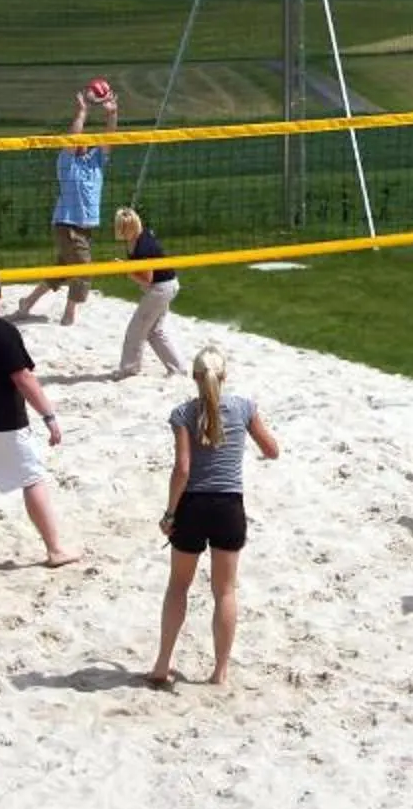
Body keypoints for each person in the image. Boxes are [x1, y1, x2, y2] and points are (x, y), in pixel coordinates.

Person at [146, 344, 280, 687]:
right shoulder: (244, 408)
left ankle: (162, 664)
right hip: (228, 506)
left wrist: (169, 513)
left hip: (192, 506)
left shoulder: (182, 414)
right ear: (225, 375)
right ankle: (220, 671)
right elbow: (272, 450)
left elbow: (182, 469)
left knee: (178, 585)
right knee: (224, 591)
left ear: (194, 377)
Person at [0, 268, 82, 571]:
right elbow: (23, 378)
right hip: (1, 421)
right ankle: (55, 550)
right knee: (32, 477)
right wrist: (48, 416)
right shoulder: (3, 331)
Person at [16, 81, 117, 326]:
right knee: (83, 269)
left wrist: (112, 113)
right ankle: (69, 313)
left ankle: (27, 303)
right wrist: (82, 112)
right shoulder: (66, 162)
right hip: (67, 224)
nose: (82, 139)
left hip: (86, 225)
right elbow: (73, 139)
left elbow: (111, 138)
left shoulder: (95, 162)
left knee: (62, 270)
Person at [111, 205, 183, 380]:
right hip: (167, 285)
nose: (118, 231)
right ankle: (178, 368)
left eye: (121, 227)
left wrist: (126, 270)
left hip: (161, 288)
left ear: (128, 228)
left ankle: (129, 369)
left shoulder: (143, 246)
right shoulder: (138, 238)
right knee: (154, 331)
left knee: (136, 330)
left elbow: (146, 280)